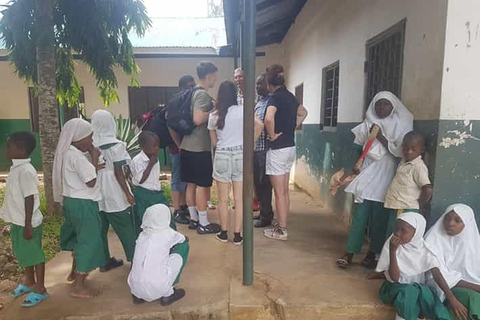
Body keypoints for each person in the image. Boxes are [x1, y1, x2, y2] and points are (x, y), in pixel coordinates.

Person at [336, 91, 413, 269]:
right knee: (359, 217)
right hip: (368, 174)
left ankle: (372, 253)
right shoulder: (367, 124)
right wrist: (357, 165)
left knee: (380, 218)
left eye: (385, 104)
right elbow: (358, 148)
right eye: (378, 104)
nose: (381, 108)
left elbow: (400, 152)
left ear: (393, 106)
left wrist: (381, 137)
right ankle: (349, 252)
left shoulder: (401, 124)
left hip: (387, 175)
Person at [53, 118, 105, 298]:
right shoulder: (77, 157)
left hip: (71, 202)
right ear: (78, 138)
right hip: (84, 203)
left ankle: (74, 273)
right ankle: (79, 286)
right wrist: (96, 160)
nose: (91, 142)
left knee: (78, 238)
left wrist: (91, 160)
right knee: (88, 240)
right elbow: (91, 181)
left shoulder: (67, 153)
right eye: (89, 138)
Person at [376, 212, 460, 320]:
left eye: (403, 231)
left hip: (417, 289)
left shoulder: (424, 249)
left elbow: (437, 275)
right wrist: (393, 251)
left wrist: (452, 298)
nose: (397, 233)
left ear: (416, 233)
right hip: (394, 289)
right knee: (409, 293)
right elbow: (395, 278)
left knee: (429, 297)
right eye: (396, 228)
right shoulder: (392, 245)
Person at [0, 132, 48, 307]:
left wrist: (28, 225)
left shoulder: (26, 171)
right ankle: (29, 281)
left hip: (28, 223)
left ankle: (41, 288)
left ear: (21, 149)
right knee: (25, 253)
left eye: (9, 147)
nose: (6, 150)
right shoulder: (16, 168)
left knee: (34, 255)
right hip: (19, 221)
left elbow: (29, 198)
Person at [263, 64, 308, 241]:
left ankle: (282, 230)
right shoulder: (290, 97)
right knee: (285, 192)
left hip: (277, 149)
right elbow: (304, 112)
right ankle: (282, 225)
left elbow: (268, 118)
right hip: (290, 147)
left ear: (269, 83)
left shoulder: (274, 98)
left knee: (279, 192)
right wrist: (293, 125)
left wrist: (272, 135)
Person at [91, 109, 136, 272]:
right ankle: (135, 260)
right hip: (114, 190)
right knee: (125, 228)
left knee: (101, 228)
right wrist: (128, 193)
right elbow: (119, 173)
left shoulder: (89, 144)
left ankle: (104, 260)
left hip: (96, 190)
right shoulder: (117, 145)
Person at [180, 61, 220, 234]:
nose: (215, 80)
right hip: (199, 147)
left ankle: (194, 219)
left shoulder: (191, 92)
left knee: (191, 184)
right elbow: (197, 119)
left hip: (187, 145)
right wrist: (215, 110)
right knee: (202, 185)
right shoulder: (202, 95)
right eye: (215, 76)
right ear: (209, 75)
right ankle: (203, 223)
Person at [425, 204, 480, 320]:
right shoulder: (432, 239)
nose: (450, 223)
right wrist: (477, 287)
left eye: (457, 220)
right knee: (471, 297)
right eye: (447, 218)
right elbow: (437, 275)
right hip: (439, 286)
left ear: (467, 224)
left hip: (467, 286)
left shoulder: (473, 244)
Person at [128, 204, 189, 306]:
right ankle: (168, 294)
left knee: (142, 260)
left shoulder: (142, 234)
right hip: (158, 288)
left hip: (134, 288)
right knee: (183, 247)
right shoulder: (168, 233)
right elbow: (185, 239)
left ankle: (138, 297)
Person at [384, 131, 433, 237]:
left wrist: (419, 205)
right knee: (392, 233)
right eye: (405, 148)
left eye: (413, 149)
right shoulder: (403, 162)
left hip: (405, 207)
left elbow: (427, 189)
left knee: (398, 235)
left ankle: (394, 253)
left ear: (422, 150)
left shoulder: (418, 166)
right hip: (397, 206)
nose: (409, 152)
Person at [169, 75, 196, 224]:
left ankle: (185, 206)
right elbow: (170, 126)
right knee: (176, 179)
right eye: (188, 86)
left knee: (186, 179)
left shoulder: (189, 102)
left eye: (192, 86)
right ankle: (177, 209)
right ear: (181, 87)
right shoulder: (175, 102)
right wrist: (179, 145)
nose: (190, 89)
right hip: (177, 148)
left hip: (188, 148)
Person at [130, 131, 169, 236]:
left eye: (158, 145)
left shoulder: (154, 156)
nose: (157, 148)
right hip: (143, 193)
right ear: (143, 147)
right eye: (153, 146)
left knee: (165, 216)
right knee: (145, 220)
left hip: (156, 192)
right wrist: (150, 164)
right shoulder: (138, 160)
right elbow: (140, 180)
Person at [253, 74, 275, 228]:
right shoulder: (258, 103)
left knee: (265, 183)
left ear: (268, 85)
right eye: (256, 84)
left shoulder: (272, 102)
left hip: (265, 150)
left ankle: (267, 217)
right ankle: (262, 211)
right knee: (257, 183)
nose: (257, 87)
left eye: (260, 84)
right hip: (255, 148)